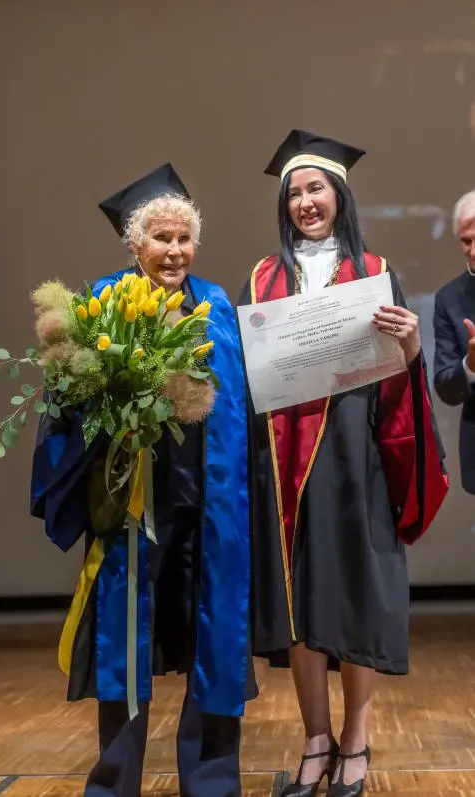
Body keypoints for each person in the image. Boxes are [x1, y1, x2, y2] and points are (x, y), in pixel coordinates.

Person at [31, 164, 254, 797]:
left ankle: (211, 782)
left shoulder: (217, 310)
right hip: (136, 506)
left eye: (184, 239)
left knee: (217, 638)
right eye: (162, 238)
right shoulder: (101, 306)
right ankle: (114, 782)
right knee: (124, 643)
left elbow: (244, 405)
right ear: (135, 246)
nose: (175, 251)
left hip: (211, 507)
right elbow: (66, 402)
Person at [239, 131, 448, 797]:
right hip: (287, 465)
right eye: (295, 192)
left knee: (355, 595)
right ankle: (315, 738)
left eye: (316, 188)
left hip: (358, 459)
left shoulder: (376, 271)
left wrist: (413, 348)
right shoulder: (262, 279)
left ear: (340, 196)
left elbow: (400, 382)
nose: (305, 201)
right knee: (300, 602)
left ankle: (355, 738)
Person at [433, 190, 475, 494]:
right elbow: (446, 386)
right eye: (466, 241)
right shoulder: (449, 299)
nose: (472, 251)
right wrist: (470, 366)